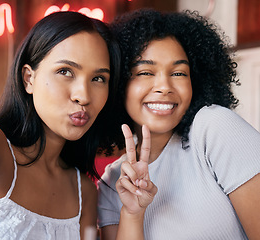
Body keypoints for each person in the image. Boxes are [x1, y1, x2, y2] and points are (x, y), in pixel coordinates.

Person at [0, 11, 120, 239]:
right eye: (65, 71)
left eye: (98, 78)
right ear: (28, 79)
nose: (83, 96)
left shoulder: (84, 192)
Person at [97, 8, 260, 240]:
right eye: (145, 72)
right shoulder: (113, 182)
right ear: (119, 83)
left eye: (179, 73)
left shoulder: (213, 129)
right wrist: (133, 214)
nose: (164, 86)